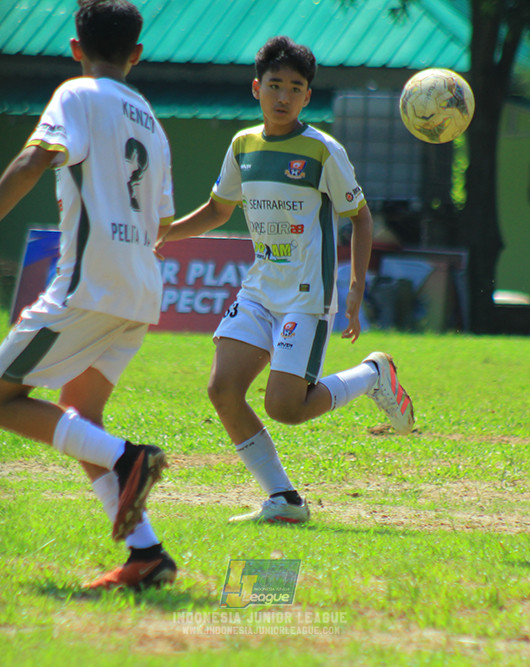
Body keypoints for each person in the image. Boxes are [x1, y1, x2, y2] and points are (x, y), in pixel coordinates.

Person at [0, 0, 175, 591]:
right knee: (81, 414)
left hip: (90, 285)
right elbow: (159, 222)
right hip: (140, 289)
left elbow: (35, 158)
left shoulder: (78, 93)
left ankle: (128, 456)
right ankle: (147, 555)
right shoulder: (154, 124)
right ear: (136, 55)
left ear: (75, 48)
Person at [154, 36, 415, 525]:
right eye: (275, 85)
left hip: (306, 297)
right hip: (258, 289)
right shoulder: (243, 145)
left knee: (286, 408)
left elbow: (359, 217)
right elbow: (216, 210)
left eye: (295, 88)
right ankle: (284, 498)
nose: (283, 96)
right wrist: (165, 232)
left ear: (307, 97)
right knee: (223, 389)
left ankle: (373, 375)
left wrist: (355, 288)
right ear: (257, 87)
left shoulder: (322, 150)